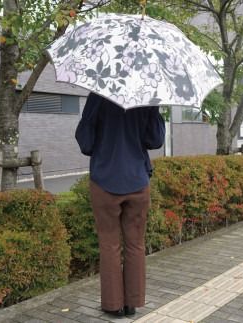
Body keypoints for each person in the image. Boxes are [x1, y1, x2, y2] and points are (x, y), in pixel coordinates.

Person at [75, 92, 166, 317]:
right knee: (136, 244)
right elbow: (155, 140)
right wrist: (154, 110)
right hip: (137, 179)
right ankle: (132, 303)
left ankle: (113, 305)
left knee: (109, 244)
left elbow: (85, 143)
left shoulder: (98, 94)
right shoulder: (149, 95)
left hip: (105, 179)